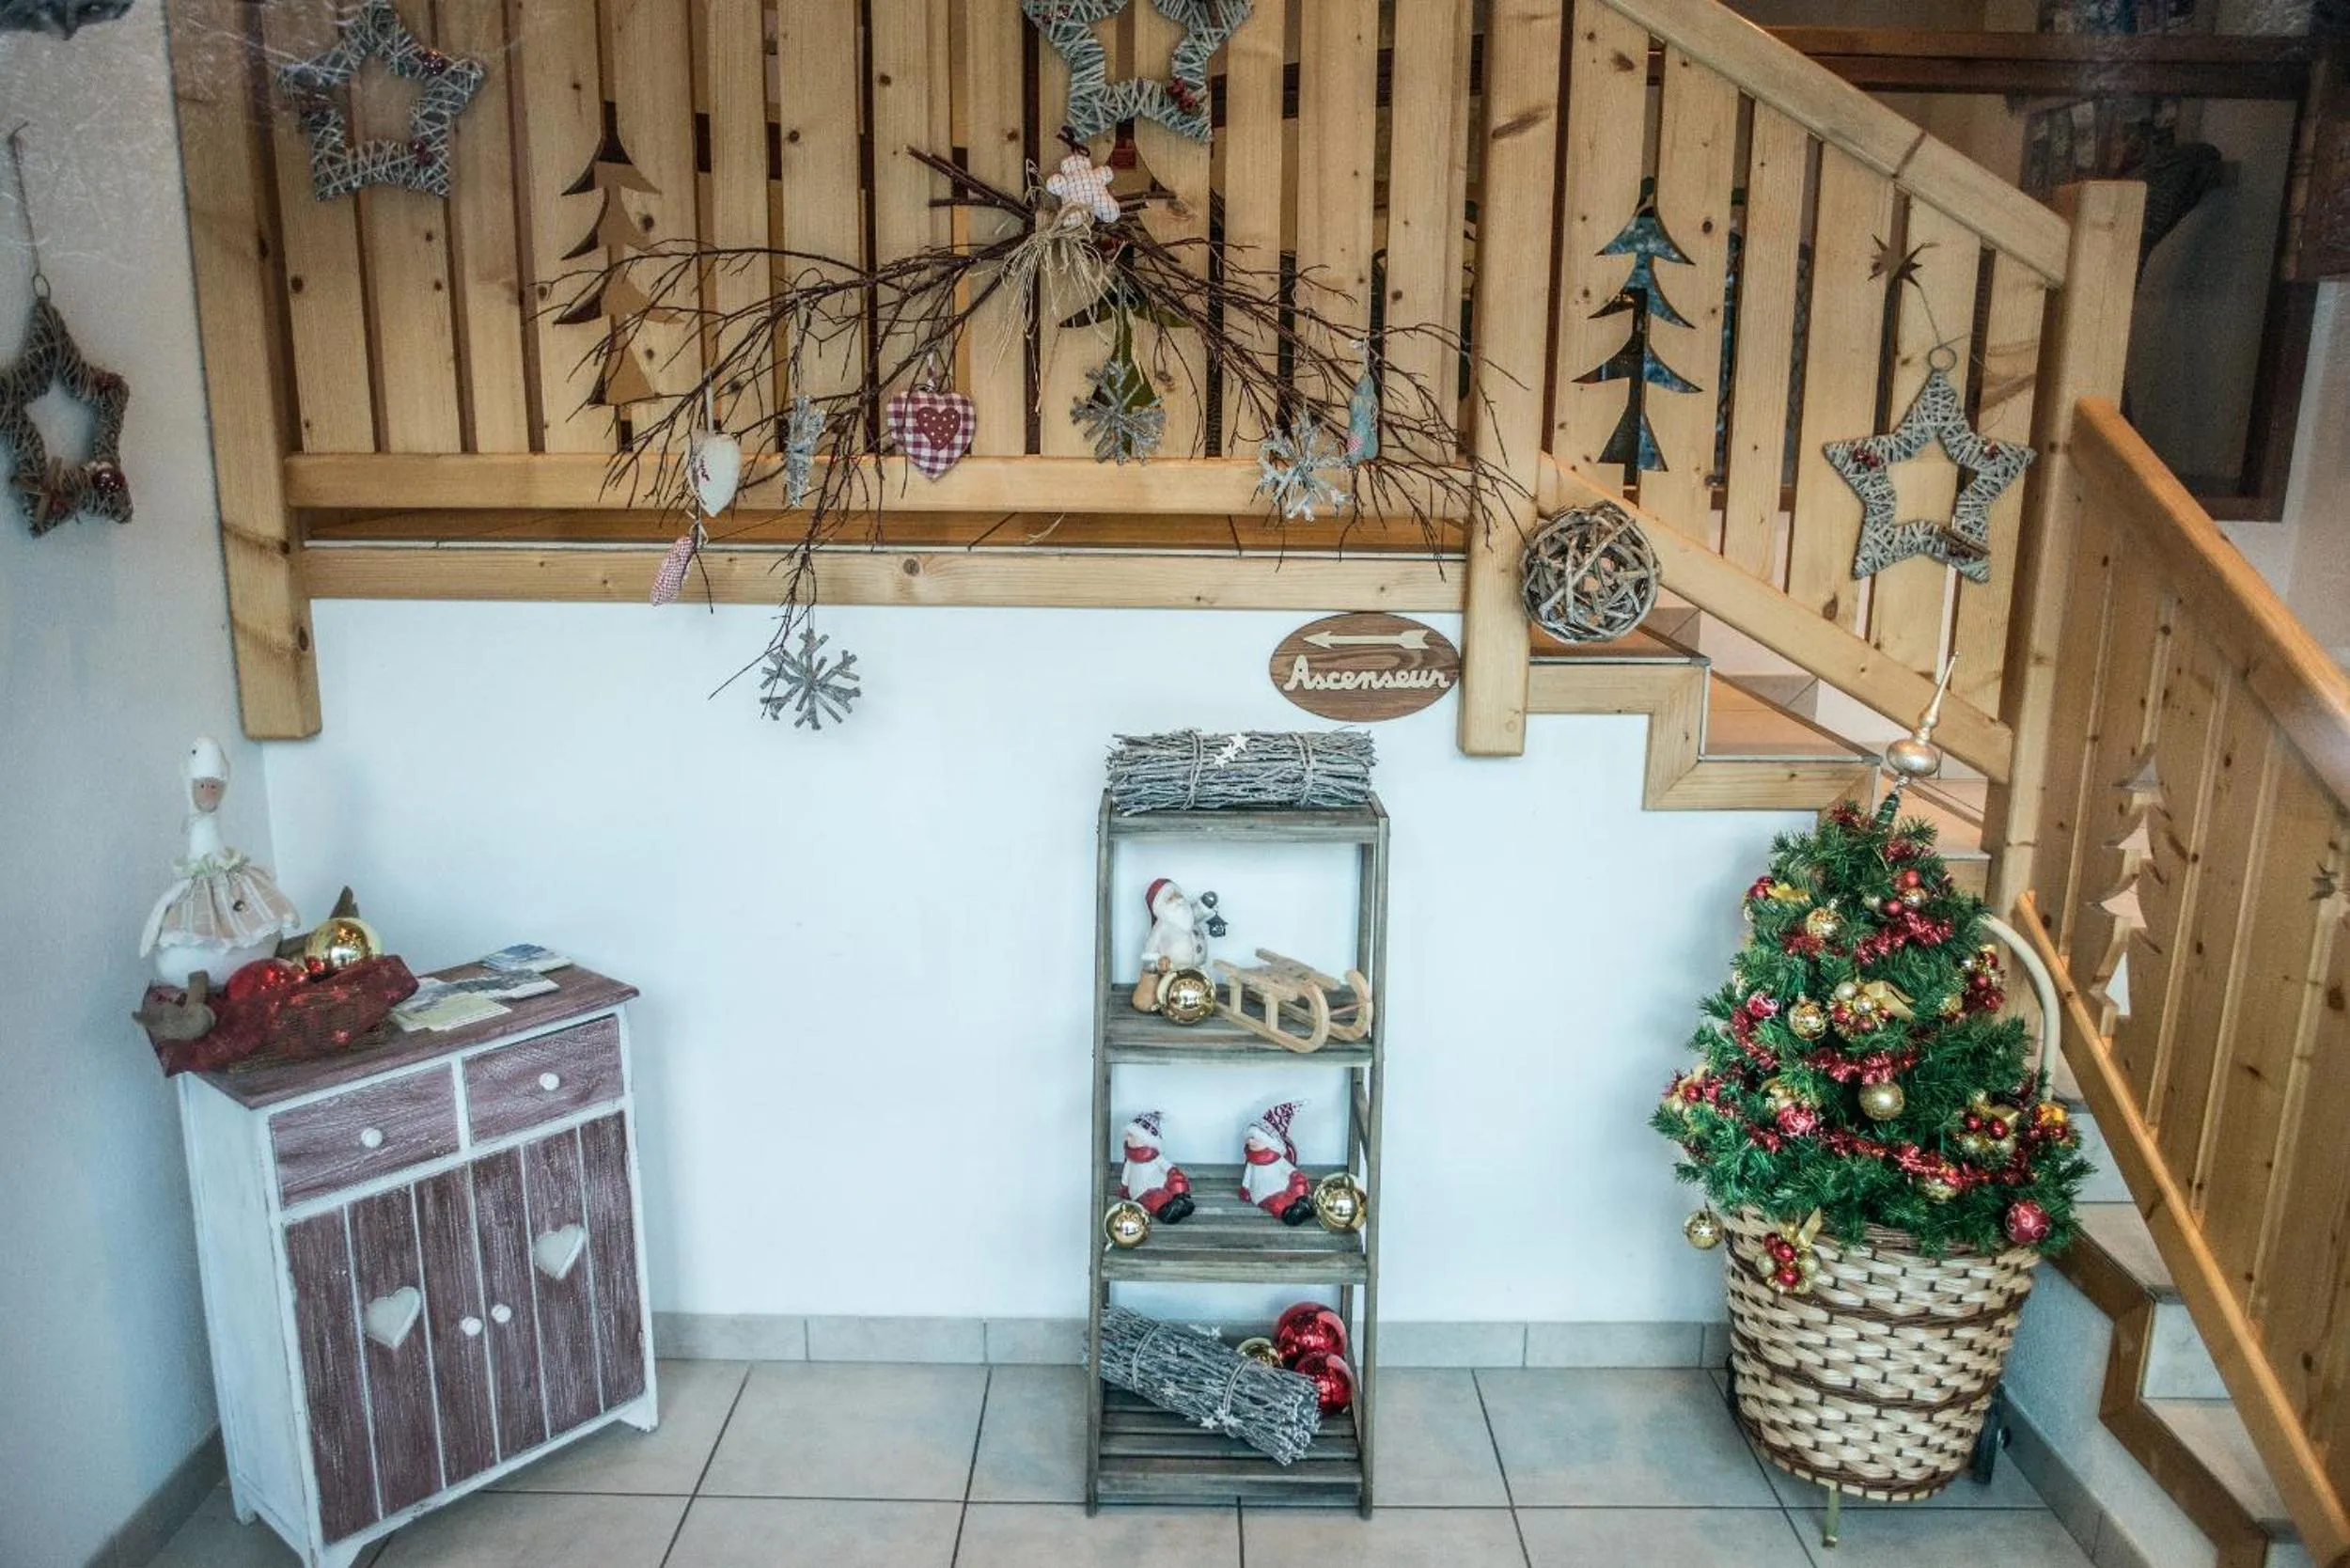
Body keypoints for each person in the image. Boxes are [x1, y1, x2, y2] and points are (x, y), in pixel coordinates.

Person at [139, 738, 302, 988]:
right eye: (202, 785)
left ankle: (253, 953)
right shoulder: (191, 881)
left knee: (251, 902)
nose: (208, 792)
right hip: (201, 887)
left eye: (214, 785)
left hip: (230, 877)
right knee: (189, 928)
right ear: (190, 784)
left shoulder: (239, 875)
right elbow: (166, 901)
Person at [1239, 1100, 1314, 1225]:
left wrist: (1295, 1175)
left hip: (1281, 1186)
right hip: (1263, 1194)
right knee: (1277, 1203)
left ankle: (1303, 1204)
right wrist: (1245, 1190)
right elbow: (1248, 1176)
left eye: (1256, 1138)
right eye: (1250, 1138)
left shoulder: (1276, 1159)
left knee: (1296, 1189)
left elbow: (1290, 1171)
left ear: (1270, 1142)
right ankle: (1290, 1214)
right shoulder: (1252, 1160)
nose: (1251, 1142)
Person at [1117, 1109, 1194, 1223]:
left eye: (1132, 1136)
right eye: (1128, 1135)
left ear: (1145, 1139)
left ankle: (1180, 1201)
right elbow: (1126, 1176)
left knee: (1169, 1187)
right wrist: (1124, 1188)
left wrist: (1175, 1179)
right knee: (1155, 1200)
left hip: (1158, 1187)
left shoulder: (1156, 1158)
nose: (1127, 1139)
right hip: (1140, 1193)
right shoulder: (1130, 1159)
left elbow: (1170, 1169)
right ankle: (1168, 1212)